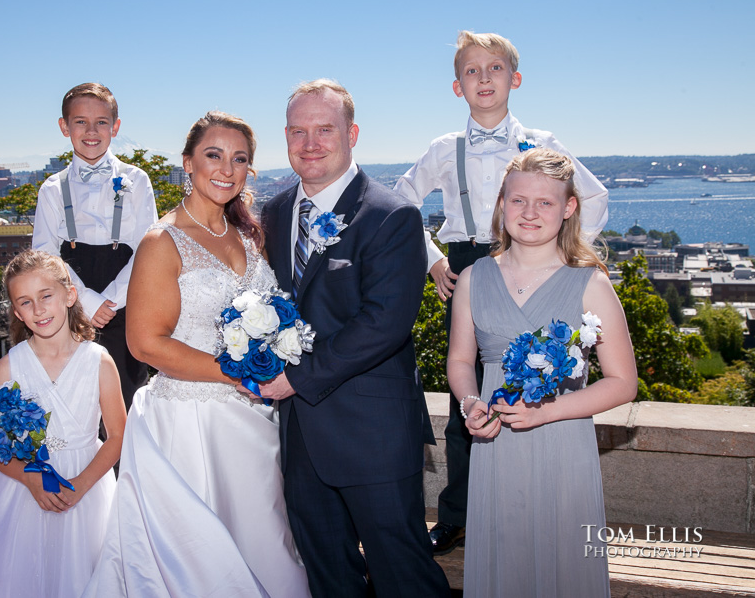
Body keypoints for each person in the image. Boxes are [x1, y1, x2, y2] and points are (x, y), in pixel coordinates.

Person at [394, 31, 609, 554]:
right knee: (468, 392)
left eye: (494, 69)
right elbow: (400, 204)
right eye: (472, 70)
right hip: (473, 264)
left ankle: (542, 509)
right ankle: (459, 514)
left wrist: (564, 262)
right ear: (456, 86)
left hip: (539, 264)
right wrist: (435, 260)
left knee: (544, 379)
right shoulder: (445, 149)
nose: (483, 78)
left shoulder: (543, 141)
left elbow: (594, 199)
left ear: (515, 80)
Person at [85, 112, 311, 597]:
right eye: (214, 155)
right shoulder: (162, 242)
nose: (227, 168)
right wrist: (239, 374)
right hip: (190, 424)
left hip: (256, 419)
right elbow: (146, 343)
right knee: (200, 557)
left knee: (264, 537)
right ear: (187, 163)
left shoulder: (251, 235)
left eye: (240, 158)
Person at [260, 79, 451, 598]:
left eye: (326, 129)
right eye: (299, 131)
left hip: (373, 432)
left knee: (402, 574)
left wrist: (292, 379)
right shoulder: (274, 214)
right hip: (298, 435)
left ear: (353, 134)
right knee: (327, 575)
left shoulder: (392, 216)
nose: (311, 143)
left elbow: (384, 323)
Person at [447, 148, 637, 597]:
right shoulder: (473, 277)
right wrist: (471, 402)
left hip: (562, 448)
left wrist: (545, 413)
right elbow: (459, 360)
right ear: (501, 204)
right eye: (518, 200)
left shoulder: (590, 283)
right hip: (495, 449)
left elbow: (623, 383)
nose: (529, 212)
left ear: (568, 208)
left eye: (545, 202)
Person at [0, 250, 126, 597]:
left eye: (46, 296)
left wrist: (79, 484)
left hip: (87, 487)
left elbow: (119, 436)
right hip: (24, 493)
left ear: (69, 295)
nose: (39, 309)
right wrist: (28, 478)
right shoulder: (10, 367)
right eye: (26, 302)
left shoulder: (98, 361)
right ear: (16, 311)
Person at [32, 82, 159, 410]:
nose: (91, 131)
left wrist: (110, 302)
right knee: (75, 400)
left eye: (101, 122)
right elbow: (45, 256)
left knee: (125, 398)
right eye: (80, 122)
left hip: (127, 302)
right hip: (70, 306)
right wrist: (86, 300)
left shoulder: (137, 179)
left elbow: (149, 249)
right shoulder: (52, 188)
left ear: (115, 127)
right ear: (64, 127)